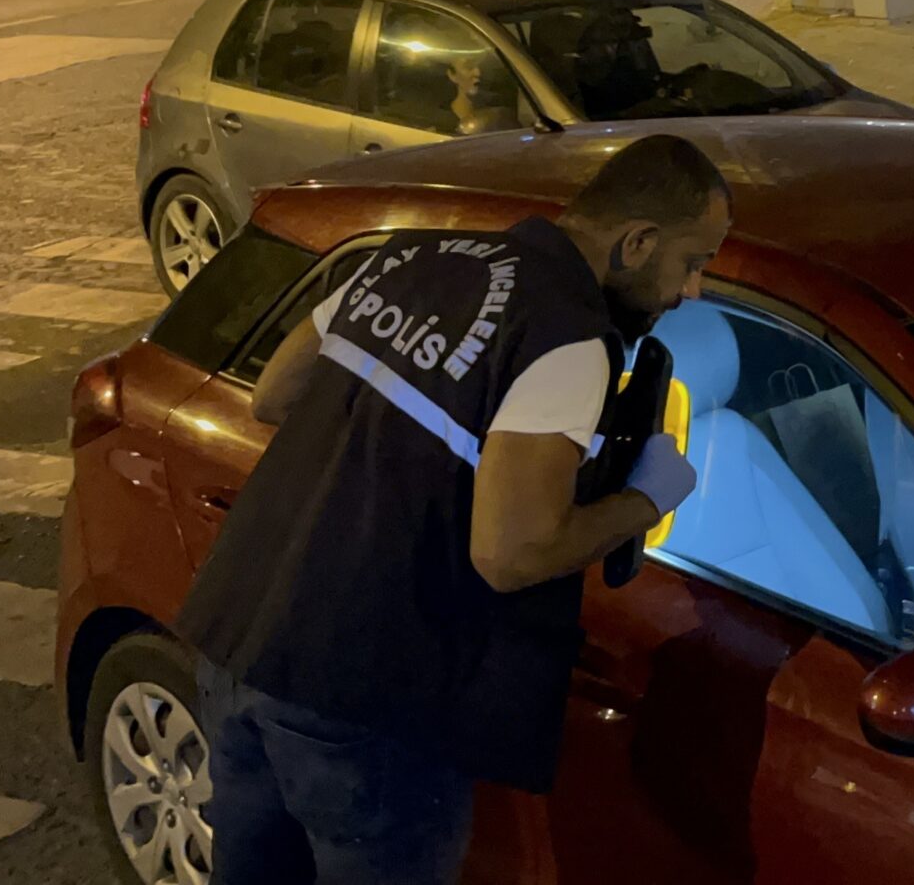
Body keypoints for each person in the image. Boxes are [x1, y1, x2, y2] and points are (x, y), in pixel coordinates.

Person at [178, 134, 731, 883]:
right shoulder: (566, 338)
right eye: (692, 263)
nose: (692, 289)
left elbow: (275, 398)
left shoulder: (408, 259)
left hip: (239, 641)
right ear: (636, 242)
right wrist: (646, 499)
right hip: (364, 699)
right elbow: (511, 554)